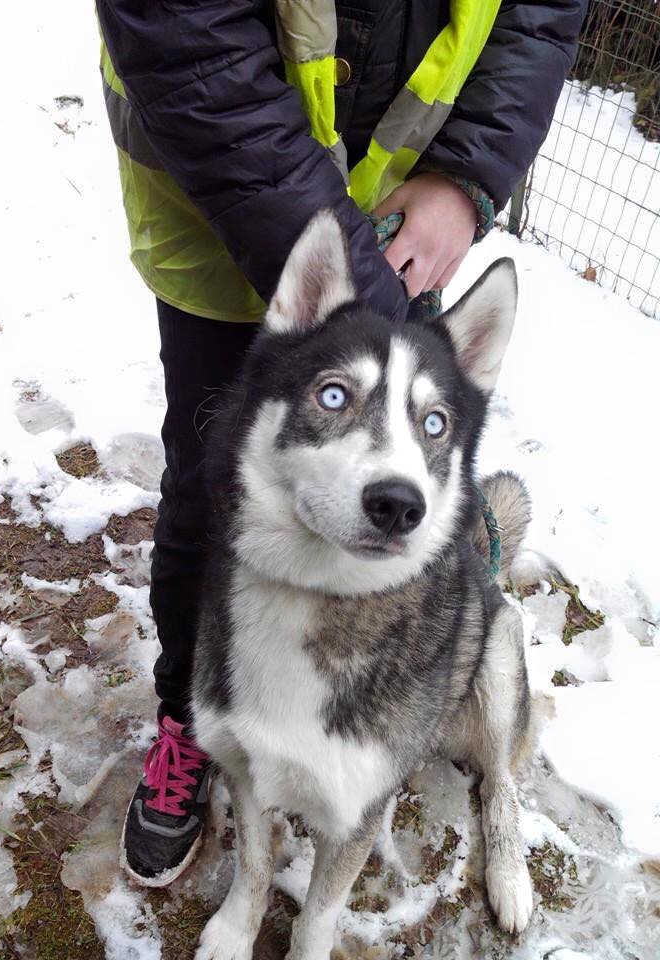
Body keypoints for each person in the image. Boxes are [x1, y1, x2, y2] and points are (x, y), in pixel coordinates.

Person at [95, 0, 586, 886]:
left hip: (406, 216)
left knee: (394, 493)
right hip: (214, 190)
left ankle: (358, 724)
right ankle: (190, 719)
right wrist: (364, 303)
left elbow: (541, 17)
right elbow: (184, 38)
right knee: (214, 489)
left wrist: (466, 178)